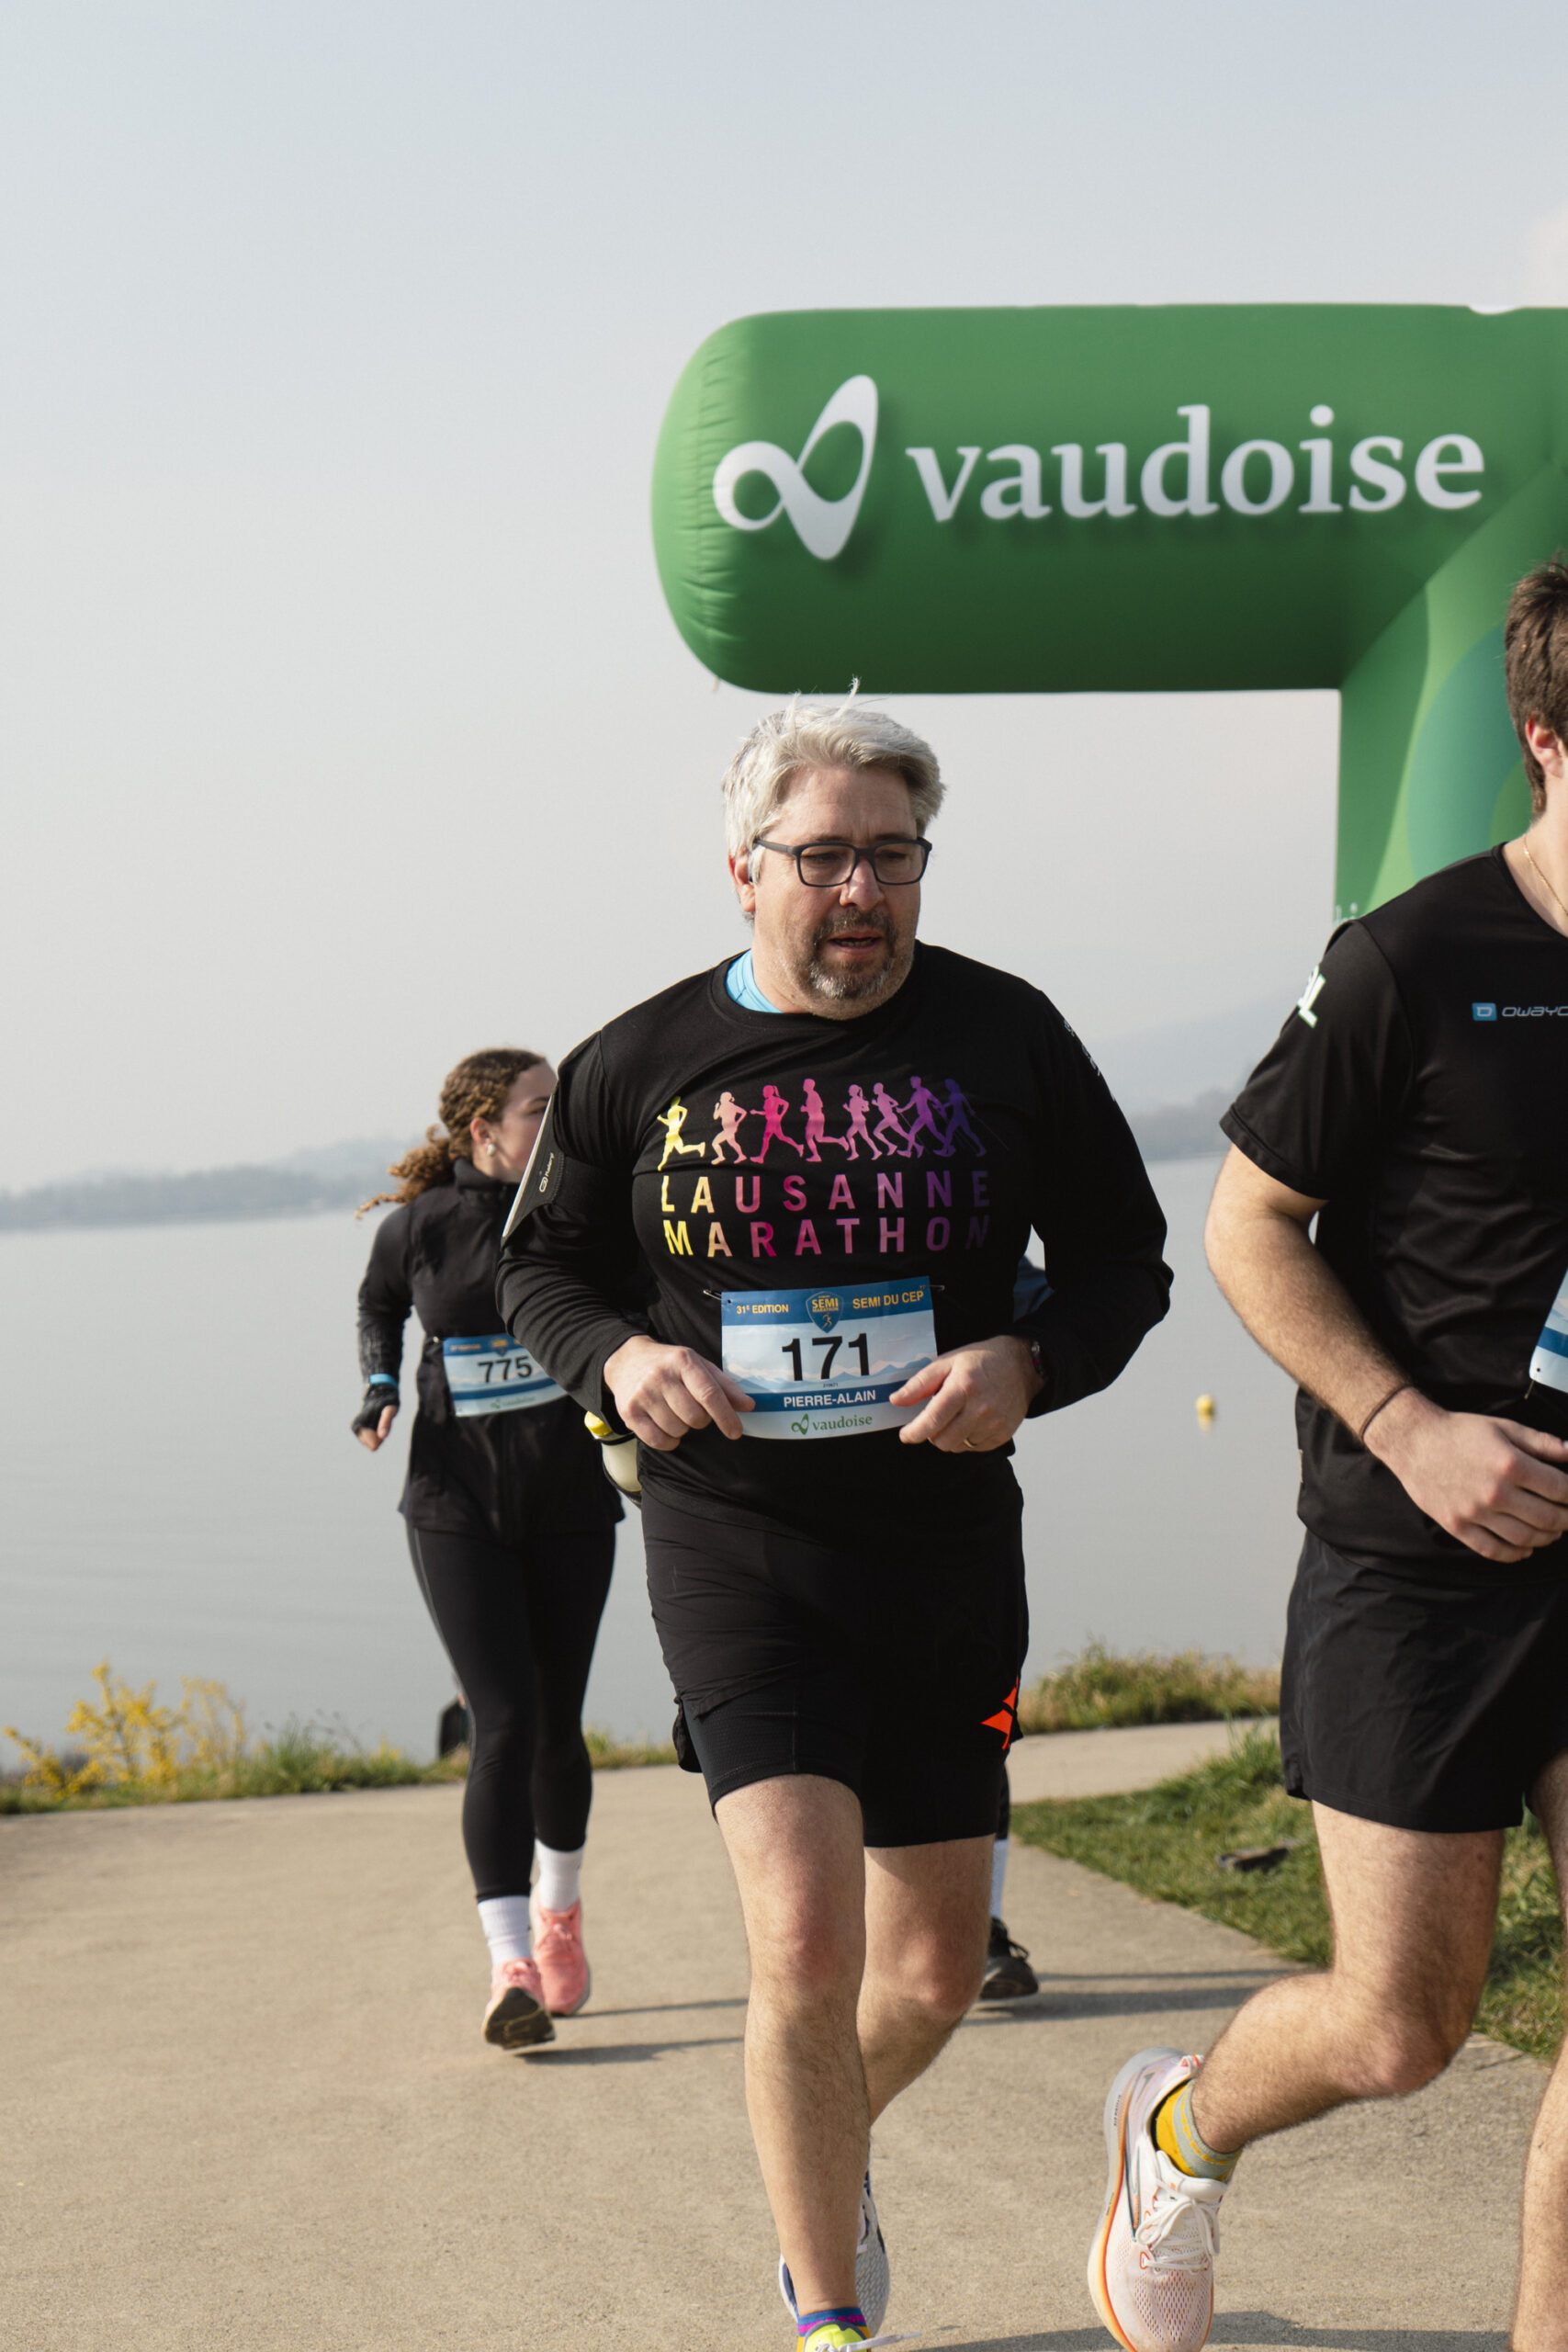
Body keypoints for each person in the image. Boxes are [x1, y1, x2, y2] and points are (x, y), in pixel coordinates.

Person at [497, 701, 1170, 2349]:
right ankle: (825, 2311)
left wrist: (1030, 1362)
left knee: (928, 1976)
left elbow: (1123, 1262)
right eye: (822, 857)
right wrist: (620, 1359)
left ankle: (818, 2153)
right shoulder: (636, 1062)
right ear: (743, 869)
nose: (860, 889)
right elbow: (538, 1270)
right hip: (736, 1543)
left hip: (942, 1551)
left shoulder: (1007, 1035)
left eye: (892, 855)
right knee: (803, 1939)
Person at [1090, 560, 1568, 2352]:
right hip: (1418, 1556)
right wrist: (1407, 1425)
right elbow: (1246, 1222)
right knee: (1398, 2024)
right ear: (1541, 737)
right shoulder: (1413, 958)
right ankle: (1175, 2130)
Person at [353, 1047, 622, 2054]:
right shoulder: (420, 1227)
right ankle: (510, 1965)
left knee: (556, 1726)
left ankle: (560, 1912)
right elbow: (378, 1305)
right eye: (539, 1108)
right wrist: (380, 1386)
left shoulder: (576, 1214)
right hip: (454, 1504)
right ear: (485, 1129)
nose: (557, 1122)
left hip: (570, 1502)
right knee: (502, 1721)